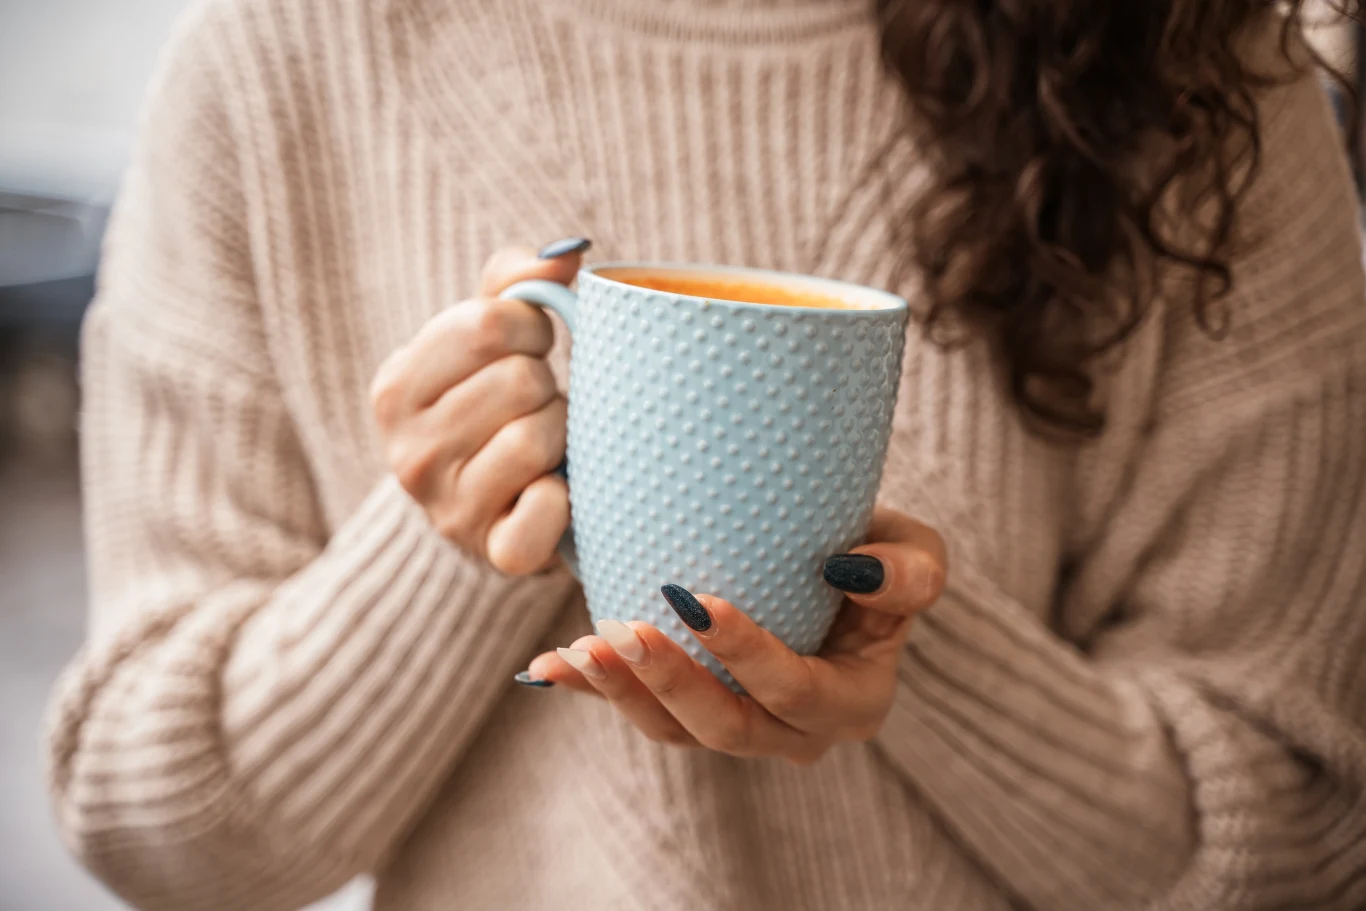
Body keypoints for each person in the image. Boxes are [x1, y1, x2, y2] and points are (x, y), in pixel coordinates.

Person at [45, 0, 1366, 908]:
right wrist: (466, 533)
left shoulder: (1191, 62)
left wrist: (898, 647)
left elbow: (1296, 836)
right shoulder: (284, 52)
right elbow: (160, 831)